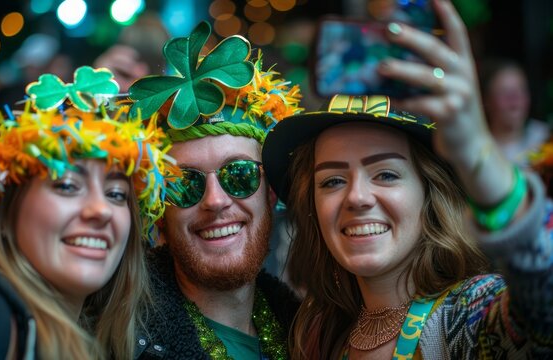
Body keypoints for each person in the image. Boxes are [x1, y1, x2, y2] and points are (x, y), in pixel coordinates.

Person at [261, 1, 553, 359]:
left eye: (385, 174)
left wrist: (478, 153)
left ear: (430, 193)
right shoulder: (314, 330)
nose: (357, 197)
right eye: (333, 181)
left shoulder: (468, 315)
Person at [0, 66, 173, 359]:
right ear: (5, 216)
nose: (101, 210)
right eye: (67, 186)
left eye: (116, 194)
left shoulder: (112, 340)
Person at [126, 21, 303, 359]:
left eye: (239, 174)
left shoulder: (314, 336)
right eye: (185, 182)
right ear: (159, 209)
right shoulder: (118, 338)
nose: (215, 200)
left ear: (271, 193)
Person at [480, 57, 550, 167]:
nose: (515, 98)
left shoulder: (545, 138)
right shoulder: (477, 147)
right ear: (486, 101)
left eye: (521, 90)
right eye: (504, 92)